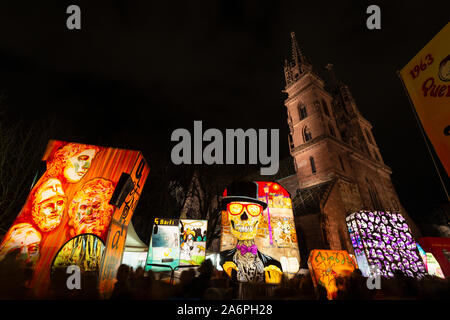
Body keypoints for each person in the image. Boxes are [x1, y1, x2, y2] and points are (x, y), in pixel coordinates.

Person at [219, 181, 282, 284]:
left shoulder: (273, 265)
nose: (244, 217)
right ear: (228, 215)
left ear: (260, 216)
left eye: (253, 209)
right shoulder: (225, 260)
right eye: (236, 208)